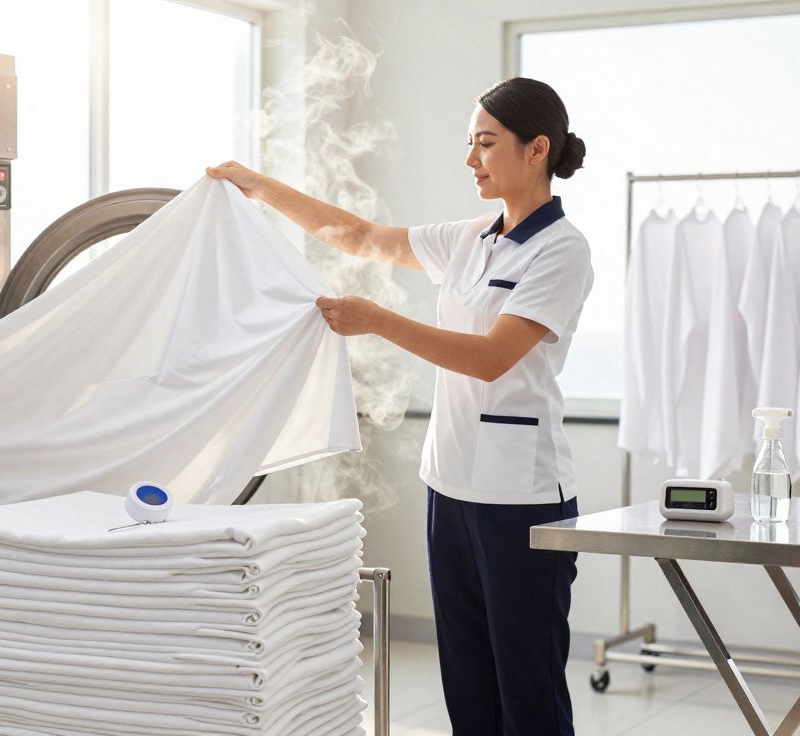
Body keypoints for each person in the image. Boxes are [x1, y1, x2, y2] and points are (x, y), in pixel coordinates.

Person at [207, 76, 590, 735]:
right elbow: (360, 237)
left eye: (486, 144)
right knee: (467, 684)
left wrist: (376, 320)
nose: (470, 159)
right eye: (469, 143)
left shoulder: (563, 251)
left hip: (522, 498)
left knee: (526, 687)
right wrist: (258, 187)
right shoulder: (471, 238)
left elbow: (490, 357)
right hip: (450, 487)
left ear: (537, 150)